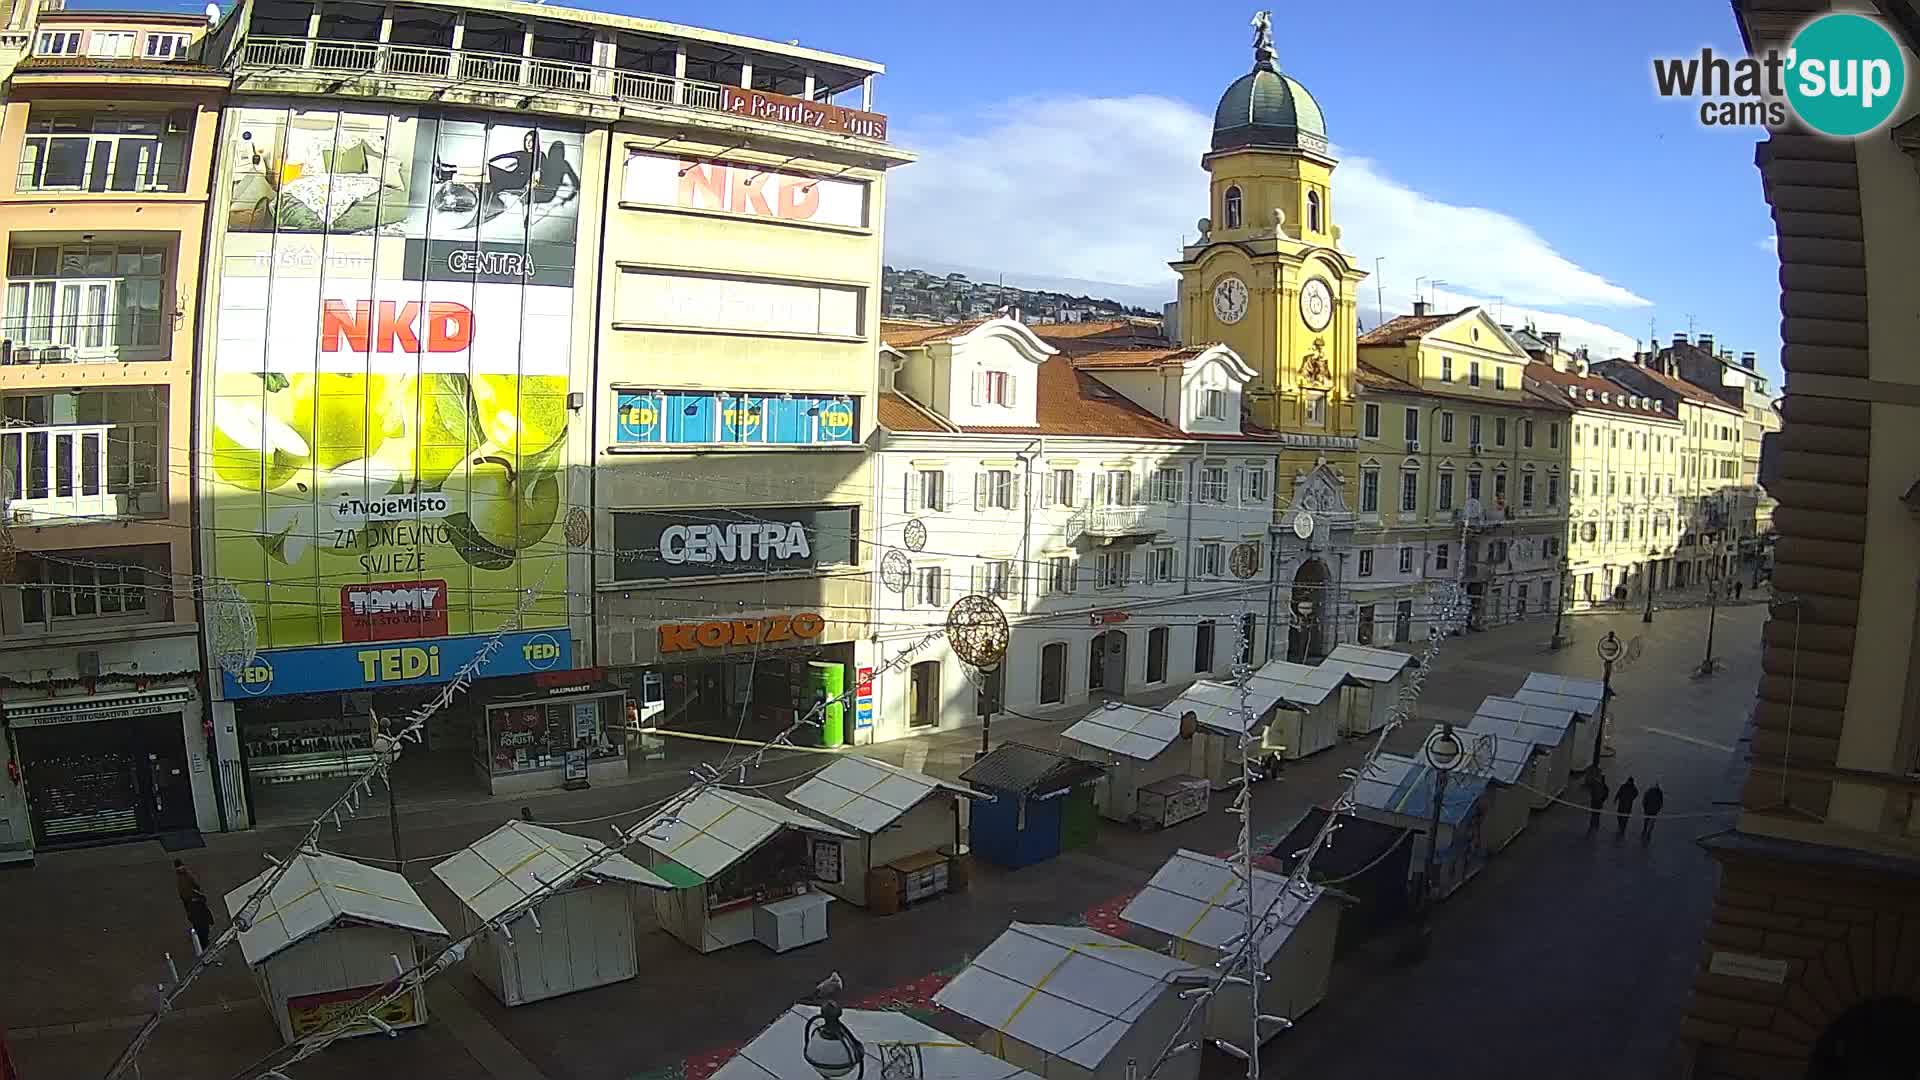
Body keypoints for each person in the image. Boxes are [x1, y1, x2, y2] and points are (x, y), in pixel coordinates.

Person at [174, 859, 215, 956]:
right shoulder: (186, 876)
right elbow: (196, 886)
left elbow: (184, 895)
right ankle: (205, 945)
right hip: (197, 913)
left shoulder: (181, 879)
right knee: (203, 932)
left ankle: (203, 945)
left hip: (193, 911)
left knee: (201, 931)